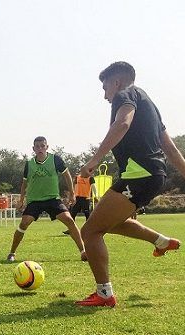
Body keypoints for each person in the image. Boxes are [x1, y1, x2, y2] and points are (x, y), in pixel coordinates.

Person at [76, 62, 183, 307]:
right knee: (110, 223)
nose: (104, 95)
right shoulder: (151, 105)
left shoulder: (124, 95)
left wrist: (94, 159)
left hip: (139, 174)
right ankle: (160, 241)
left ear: (116, 82)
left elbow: (122, 123)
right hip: (154, 175)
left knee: (90, 232)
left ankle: (104, 294)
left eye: (105, 88)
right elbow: (169, 147)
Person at [7, 137, 86, 262]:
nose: (40, 149)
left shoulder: (55, 160)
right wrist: (21, 199)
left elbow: (67, 175)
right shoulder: (29, 164)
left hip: (52, 198)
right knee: (24, 223)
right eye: (37, 146)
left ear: (47, 147)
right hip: (35, 200)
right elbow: (24, 183)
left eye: (42, 146)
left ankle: (83, 252)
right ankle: (12, 253)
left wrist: (72, 193)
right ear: (33, 149)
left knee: (69, 220)